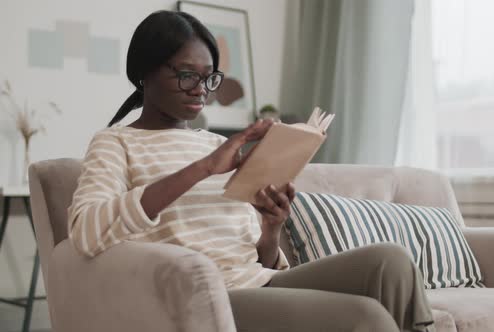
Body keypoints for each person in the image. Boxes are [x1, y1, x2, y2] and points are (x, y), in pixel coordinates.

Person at [67, 10, 433, 332]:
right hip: (211, 300)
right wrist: (205, 168)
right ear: (144, 73)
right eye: (186, 75)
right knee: (364, 317)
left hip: (259, 281)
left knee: (392, 262)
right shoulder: (115, 144)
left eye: (209, 77)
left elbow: (260, 260)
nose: (201, 90)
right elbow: (86, 231)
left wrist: (271, 227)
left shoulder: (214, 144)